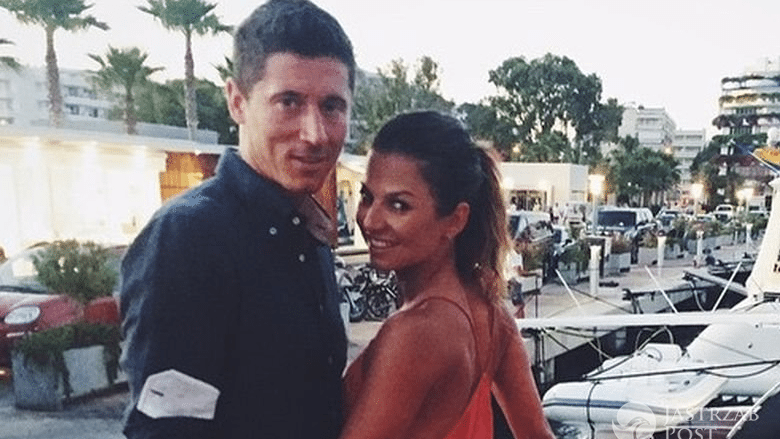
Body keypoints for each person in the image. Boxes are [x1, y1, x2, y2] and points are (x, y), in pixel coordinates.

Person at [119, 1, 354, 438]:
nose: (315, 133)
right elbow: (166, 430)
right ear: (237, 102)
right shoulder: (190, 237)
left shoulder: (306, 234)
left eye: (332, 106)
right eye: (289, 102)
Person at [340, 111, 555, 439]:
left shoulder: (415, 333)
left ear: (455, 220)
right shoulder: (492, 317)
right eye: (367, 197)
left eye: (398, 205)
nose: (369, 220)